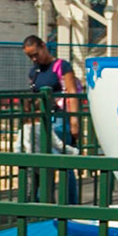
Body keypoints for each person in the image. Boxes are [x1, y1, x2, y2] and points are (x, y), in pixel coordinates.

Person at [23, 35, 82, 202]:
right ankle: (44, 200)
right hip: (41, 120)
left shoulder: (61, 66)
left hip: (59, 116)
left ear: (43, 46)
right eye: (30, 56)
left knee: (64, 161)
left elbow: (71, 92)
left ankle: (69, 203)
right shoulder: (34, 71)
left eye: (36, 54)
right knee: (42, 162)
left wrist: (74, 120)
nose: (34, 59)